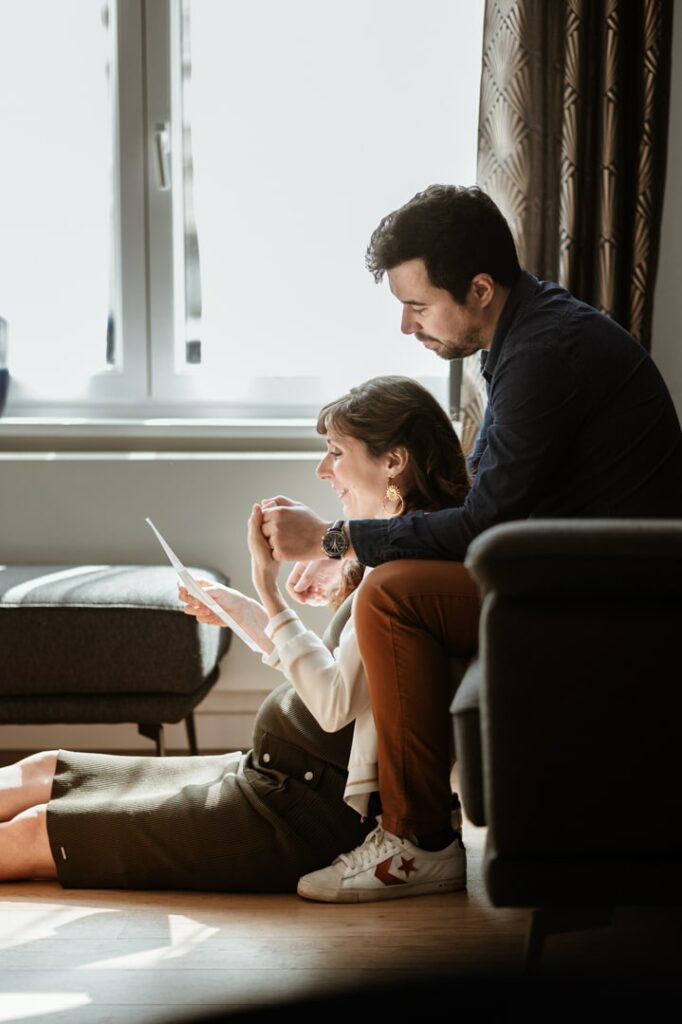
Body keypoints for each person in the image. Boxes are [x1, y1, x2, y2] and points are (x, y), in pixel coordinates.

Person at [260, 184, 682, 903]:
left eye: (418, 306)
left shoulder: (545, 354)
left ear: (481, 289)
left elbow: (483, 527)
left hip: (618, 595)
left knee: (396, 596)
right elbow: (490, 512)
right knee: (395, 580)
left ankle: (417, 839)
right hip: (578, 572)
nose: (404, 325)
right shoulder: (526, 339)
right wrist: (358, 548)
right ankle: (417, 824)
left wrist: (339, 540)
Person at [0, 375, 471, 900]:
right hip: (271, 772)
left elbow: (335, 704)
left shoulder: (406, 580)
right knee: (38, 770)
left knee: (32, 832)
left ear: (393, 462)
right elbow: (347, 684)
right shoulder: (394, 557)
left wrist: (267, 591)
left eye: (336, 452)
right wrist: (248, 612)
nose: (323, 470)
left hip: (295, 811)